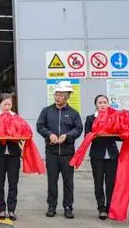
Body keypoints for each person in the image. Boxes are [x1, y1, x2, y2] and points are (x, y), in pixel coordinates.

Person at [36, 80, 83, 219]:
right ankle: (51, 206)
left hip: (68, 153)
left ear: (67, 96)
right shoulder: (46, 111)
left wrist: (67, 136)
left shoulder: (74, 113)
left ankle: (68, 207)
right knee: (52, 180)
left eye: (61, 95)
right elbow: (40, 126)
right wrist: (49, 134)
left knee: (68, 182)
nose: (57, 97)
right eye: (56, 94)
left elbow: (78, 129)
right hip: (52, 152)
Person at [85, 95, 120, 220]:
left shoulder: (114, 118)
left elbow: (119, 136)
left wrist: (123, 133)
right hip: (97, 155)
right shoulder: (90, 119)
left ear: (108, 104)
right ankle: (101, 208)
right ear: (96, 105)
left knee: (111, 184)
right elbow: (87, 136)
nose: (103, 105)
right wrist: (98, 134)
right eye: (100, 102)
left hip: (112, 156)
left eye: (105, 102)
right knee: (98, 183)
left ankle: (110, 208)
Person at [0, 93, 21, 221]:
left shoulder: (16, 117)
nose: (7, 107)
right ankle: (1, 209)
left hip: (14, 155)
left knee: (13, 182)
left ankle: (12, 209)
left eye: (9, 104)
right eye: (5, 104)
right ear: (0, 104)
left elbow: (22, 132)